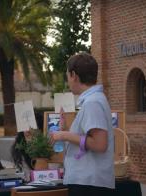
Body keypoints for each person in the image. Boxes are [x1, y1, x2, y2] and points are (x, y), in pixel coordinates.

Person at [49, 52, 115, 195]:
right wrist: (66, 128)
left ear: (74, 75)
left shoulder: (93, 103)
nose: (68, 80)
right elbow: (86, 139)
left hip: (89, 183)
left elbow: (99, 144)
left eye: (67, 76)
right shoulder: (93, 100)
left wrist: (64, 135)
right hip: (88, 181)